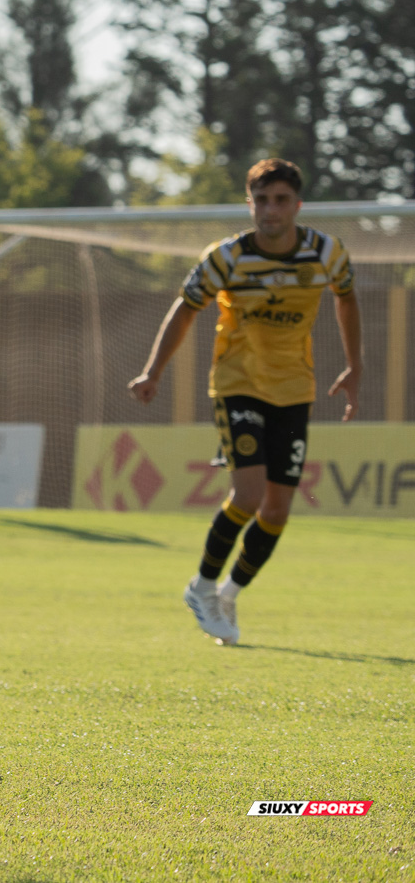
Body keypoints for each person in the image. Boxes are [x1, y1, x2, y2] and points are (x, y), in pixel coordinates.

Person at [128, 158, 360, 646]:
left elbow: (346, 298)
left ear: (297, 205)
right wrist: (153, 371)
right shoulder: (226, 257)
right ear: (249, 203)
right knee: (249, 496)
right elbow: (186, 309)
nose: (270, 209)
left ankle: (230, 592)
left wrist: (355, 365)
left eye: (280, 200)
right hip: (238, 385)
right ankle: (203, 586)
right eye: (262, 199)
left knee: (276, 511)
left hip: (295, 390)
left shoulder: (326, 253)